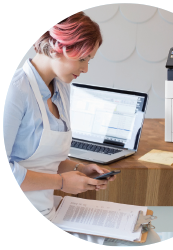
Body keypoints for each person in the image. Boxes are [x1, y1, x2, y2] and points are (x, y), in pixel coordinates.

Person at [3, 11, 161, 246]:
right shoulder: (15, 91)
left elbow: (43, 158)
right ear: (59, 47)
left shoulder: (62, 87)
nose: (86, 69)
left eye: (89, 60)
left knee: (145, 234)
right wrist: (63, 183)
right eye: (82, 59)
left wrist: (80, 168)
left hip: (49, 208)